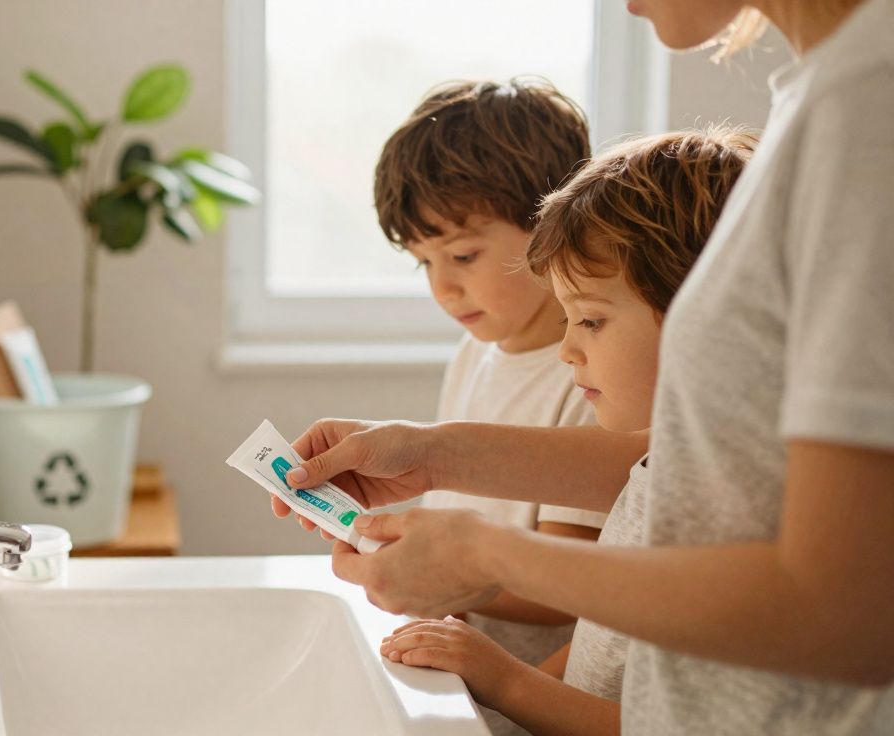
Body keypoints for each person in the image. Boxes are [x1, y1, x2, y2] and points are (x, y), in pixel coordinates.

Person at [275, 1, 894, 732]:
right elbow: (692, 463)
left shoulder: (865, 119)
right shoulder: (826, 103)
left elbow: (846, 607)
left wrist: (492, 558)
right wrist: (431, 455)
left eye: (592, 320)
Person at [380, 129, 754, 735]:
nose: (567, 348)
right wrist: (420, 453)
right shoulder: (672, 460)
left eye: (591, 320)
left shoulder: (734, 512)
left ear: (702, 312)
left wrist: (503, 682)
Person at [372, 80, 605, 699]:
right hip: (460, 678)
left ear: (553, 222)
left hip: (537, 693)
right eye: (425, 262)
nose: (442, 288)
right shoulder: (473, 353)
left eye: (464, 256)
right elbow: (450, 506)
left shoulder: (590, 379)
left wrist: (445, 579)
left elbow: (563, 590)